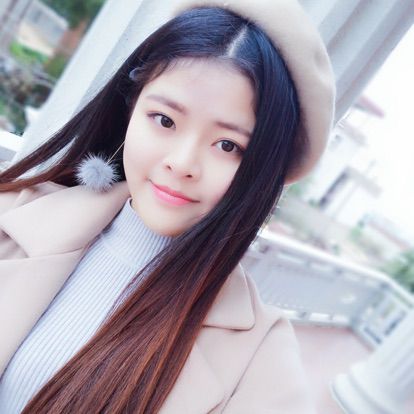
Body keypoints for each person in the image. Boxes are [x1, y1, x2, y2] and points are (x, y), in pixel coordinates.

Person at [0, 0, 335, 412]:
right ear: (131, 109)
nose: (182, 163)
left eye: (227, 145)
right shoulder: (13, 212)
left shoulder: (260, 362)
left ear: (264, 169)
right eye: (164, 120)